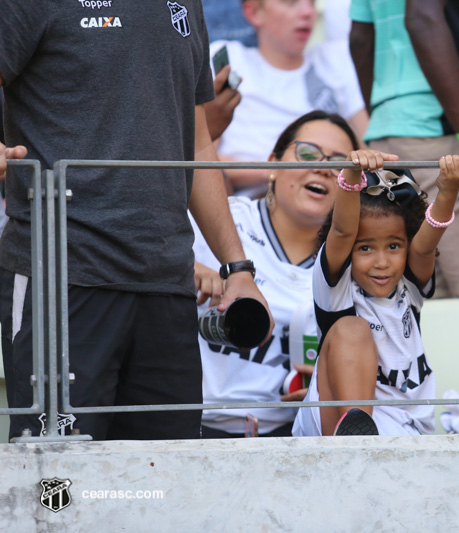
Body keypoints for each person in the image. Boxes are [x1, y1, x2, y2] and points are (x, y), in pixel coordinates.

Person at [0, 1, 269, 441]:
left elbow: (198, 146)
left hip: (166, 283)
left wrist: (236, 268)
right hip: (62, 278)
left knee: (166, 485)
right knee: (59, 486)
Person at [292, 150, 459, 436]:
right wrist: (352, 175)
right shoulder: (335, 289)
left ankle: (364, 438)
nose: (382, 262)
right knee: (350, 328)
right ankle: (356, 432)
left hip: (405, 426)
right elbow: (343, 231)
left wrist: (449, 190)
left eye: (394, 246)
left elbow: (425, 245)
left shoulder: (410, 284)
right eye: (365, 248)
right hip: (336, 424)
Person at [193, 111, 358, 438]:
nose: (323, 168)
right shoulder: (219, 220)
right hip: (188, 429)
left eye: (340, 164)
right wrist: (185, 269)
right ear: (273, 164)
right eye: (307, 153)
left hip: (290, 438)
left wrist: (323, 391)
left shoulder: (358, 263)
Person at [349, 0, 459, 301]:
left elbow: (361, 38)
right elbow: (422, 16)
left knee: (423, 313)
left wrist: (391, 116)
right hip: (458, 135)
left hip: (395, 136)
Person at [211, 0, 368, 195]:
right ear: (253, 12)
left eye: (312, 3)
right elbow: (204, 156)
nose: (307, 12)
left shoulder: (334, 59)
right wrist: (283, 169)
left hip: (326, 205)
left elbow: (366, 149)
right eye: (291, 2)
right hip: (245, 205)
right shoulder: (231, 58)